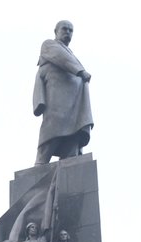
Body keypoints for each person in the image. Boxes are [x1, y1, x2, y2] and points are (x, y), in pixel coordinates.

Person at [33, 20, 93, 165]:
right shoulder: (49, 45)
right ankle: (40, 165)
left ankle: (69, 162)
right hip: (57, 98)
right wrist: (80, 71)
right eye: (65, 29)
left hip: (75, 103)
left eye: (70, 30)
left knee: (73, 137)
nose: (68, 32)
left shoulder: (70, 53)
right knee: (52, 130)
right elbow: (62, 58)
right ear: (56, 31)